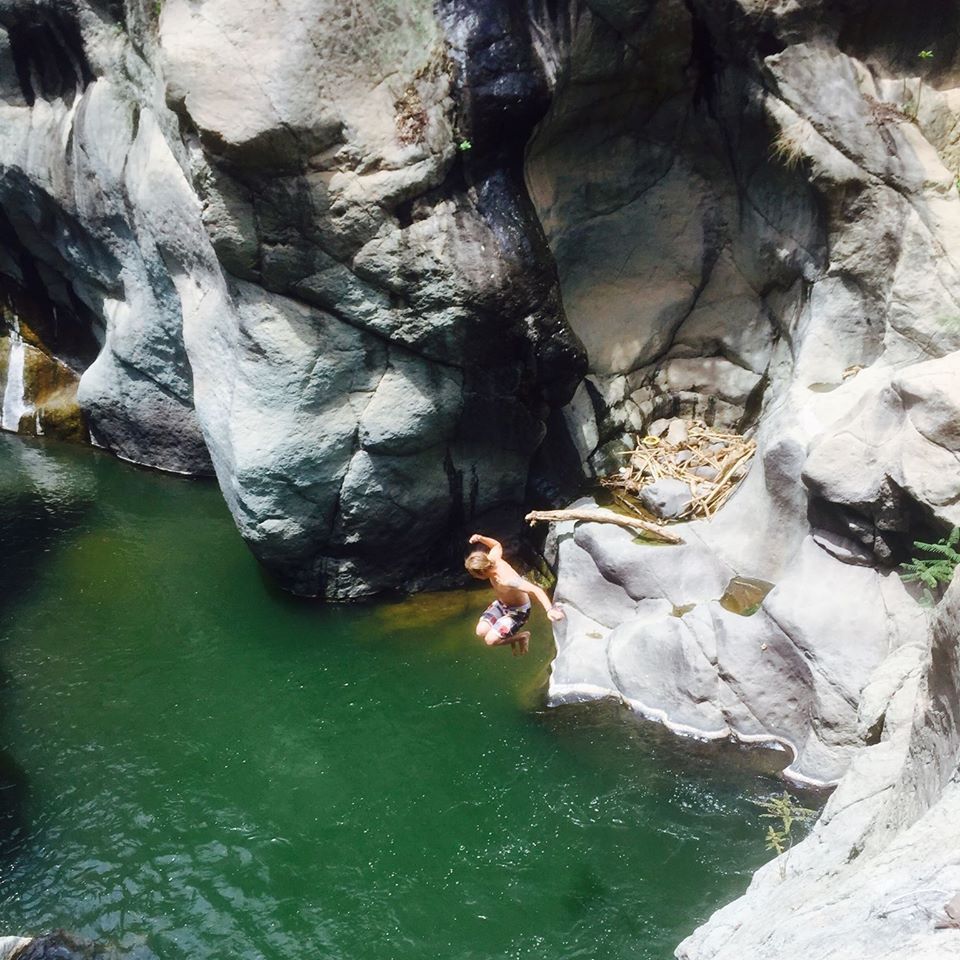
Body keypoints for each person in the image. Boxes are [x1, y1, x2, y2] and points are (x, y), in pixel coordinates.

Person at [465, 533, 565, 656]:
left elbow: (536, 590)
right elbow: (497, 545)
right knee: (480, 631)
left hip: (518, 612)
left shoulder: (507, 579)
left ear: (482, 572)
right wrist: (481, 538)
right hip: (502, 604)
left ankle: (522, 636)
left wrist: (549, 610)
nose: (473, 576)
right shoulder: (492, 559)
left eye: (474, 574)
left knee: (490, 640)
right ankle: (506, 631)